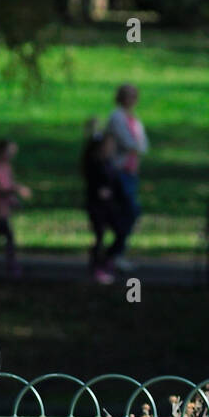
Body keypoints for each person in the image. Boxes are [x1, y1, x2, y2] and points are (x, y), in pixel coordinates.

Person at [105, 84, 148, 269]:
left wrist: (137, 147)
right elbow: (130, 143)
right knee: (128, 211)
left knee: (130, 212)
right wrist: (136, 147)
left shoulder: (134, 120)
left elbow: (143, 145)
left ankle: (116, 252)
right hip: (120, 171)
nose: (131, 99)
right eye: (127, 95)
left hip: (131, 172)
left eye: (133, 96)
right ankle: (114, 253)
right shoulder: (117, 117)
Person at [81, 119, 127, 283]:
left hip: (110, 205)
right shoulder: (94, 162)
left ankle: (107, 260)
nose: (111, 148)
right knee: (99, 235)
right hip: (96, 204)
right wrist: (93, 131)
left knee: (120, 231)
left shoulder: (110, 163)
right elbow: (87, 154)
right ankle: (98, 267)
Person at [0, 139, 32, 276]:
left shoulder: (6, 167)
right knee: (8, 237)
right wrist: (18, 189)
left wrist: (14, 201)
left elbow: (8, 187)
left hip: (5, 208)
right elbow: (2, 188)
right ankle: (11, 266)